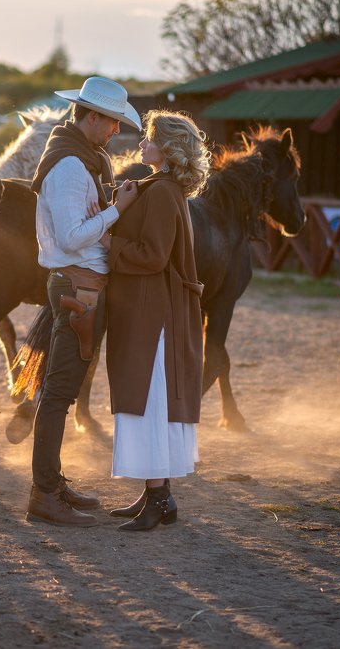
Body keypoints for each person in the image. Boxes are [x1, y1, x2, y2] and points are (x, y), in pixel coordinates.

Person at [25, 76, 142, 527]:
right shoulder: (72, 167)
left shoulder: (79, 159)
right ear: (92, 117)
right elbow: (73, 236)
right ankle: (43, 494)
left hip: (81, 287)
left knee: (62, 392)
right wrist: (117, 210)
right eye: (112, 122)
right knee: (58, 394)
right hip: (80, 290)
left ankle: (51, 484)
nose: (116, 130)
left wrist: (106, 210)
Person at [104, 109, 210, 531]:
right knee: (149, 400)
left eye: (148, 138)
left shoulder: (164, 193)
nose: (142, 143)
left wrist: (110, 243)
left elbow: (153, 255)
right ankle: (158, 496)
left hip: (155, 314)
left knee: (149, 400)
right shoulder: (158, 188)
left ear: (166, 147)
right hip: (148, 307)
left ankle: (159, 499)